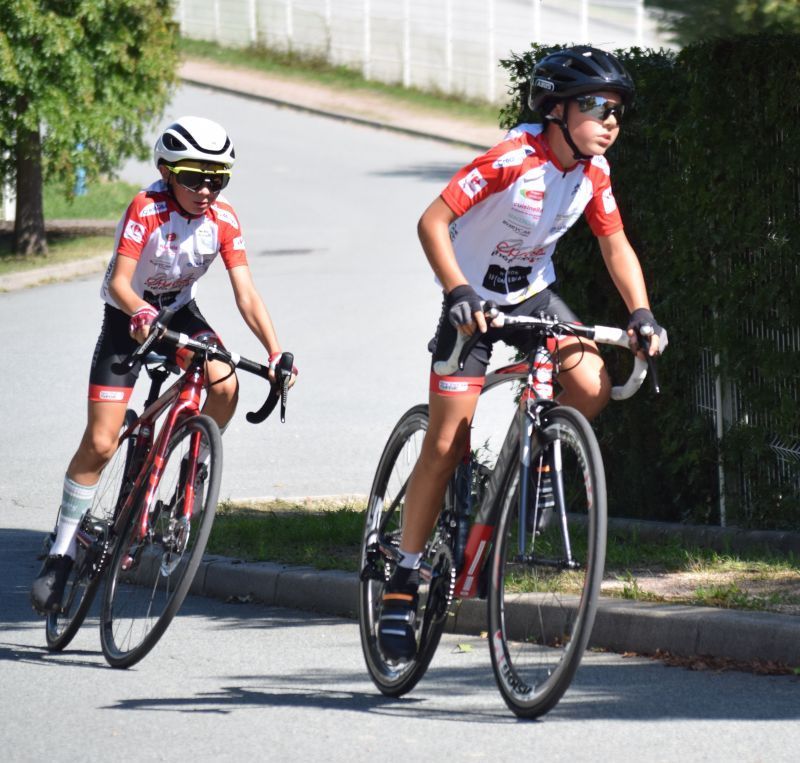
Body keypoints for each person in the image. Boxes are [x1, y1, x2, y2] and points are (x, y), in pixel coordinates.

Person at [377, 46, 666, 660]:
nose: (610, 121)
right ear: (556, 109)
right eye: (596, 106)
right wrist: (457, 292)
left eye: (617, 110)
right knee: (446, 444)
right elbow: (432, 221)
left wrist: (640, 312)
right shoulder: (512, 160)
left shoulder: (594, 173)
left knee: (589, 384)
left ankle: (535, 462)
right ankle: (402, 578)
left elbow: (615, 244)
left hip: (532, 293)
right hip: (472, 302)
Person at [31, 116, 297, 613]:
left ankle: (194, 467)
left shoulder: (224, 220)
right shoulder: (146, 207)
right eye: (194, 177)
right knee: (101, 442)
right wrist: (139, 311)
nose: (206, 190)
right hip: (128, 317)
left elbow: (245, 294)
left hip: (179, 313)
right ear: (167, 172)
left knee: (224, 383)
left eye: (217, 179)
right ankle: (62, 549)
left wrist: (275, 351)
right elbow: (120, 282)